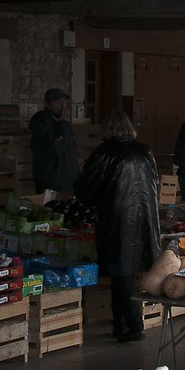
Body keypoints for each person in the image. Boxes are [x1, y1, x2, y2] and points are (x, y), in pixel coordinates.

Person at [75, 110, 161, 343]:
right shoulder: (144, 151)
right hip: (144, 221)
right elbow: (155, 185)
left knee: (121, 276)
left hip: (118, 222)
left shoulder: (104, 153)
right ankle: (123, 325)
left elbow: (86, 189)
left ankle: (132, 327)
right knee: (125, 276)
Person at [29, 88, 79, 197]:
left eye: (64, 101)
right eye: (57, 101)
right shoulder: (42, 124)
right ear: (48, 104)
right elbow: (56, 147)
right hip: (52, 181)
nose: (62, 104)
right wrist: (63, 125)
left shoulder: (62, 122)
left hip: (66, 180)